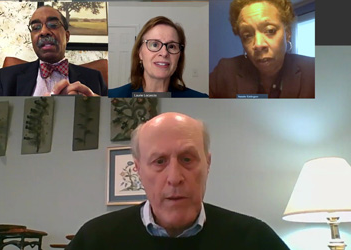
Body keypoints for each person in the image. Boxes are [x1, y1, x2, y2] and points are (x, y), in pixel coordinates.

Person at [66, 112, 290, 250]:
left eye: (187, 159)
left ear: (207, 164)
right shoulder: (95, 240)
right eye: (159, 161)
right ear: (138, 170)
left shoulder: (254, 239)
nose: (174, 178)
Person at [0, 6, 107, 96]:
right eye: (36, 27)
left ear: (67, 36)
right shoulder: (4, 78)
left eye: (53, 25)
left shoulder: (95, 78)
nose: (44, 32)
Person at [209, 0, 314, 98]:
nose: (258, 45)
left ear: (288, 33)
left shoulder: (314, 71)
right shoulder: (224, 71)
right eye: (247, 35)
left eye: (270, 30)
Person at [108, 16, 208, 98]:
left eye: (172, 46)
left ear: (179, 56)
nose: (164, 53)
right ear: (140, 53)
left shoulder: (200, 98)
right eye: (154, 45)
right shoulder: (113, 95)